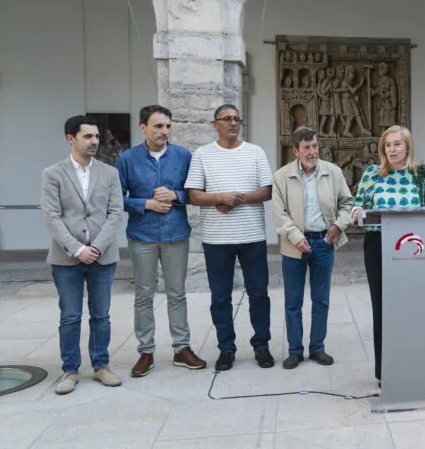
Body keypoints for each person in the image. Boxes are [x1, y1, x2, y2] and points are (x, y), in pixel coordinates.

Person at [116, 105, 206, 377]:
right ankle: (146, 351)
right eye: (158, 126)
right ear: (143, 127)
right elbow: (116, 198)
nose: (164, 131)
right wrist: (147, 204)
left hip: (176, 234)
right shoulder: (127, 159)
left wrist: (176, 196)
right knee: (144, 294)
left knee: (177, 293)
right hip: (142, 236)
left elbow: (196, 193)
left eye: (167, 126)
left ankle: (182, 348)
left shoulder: (183, 156)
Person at [184, 104, 274, 371]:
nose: (233, 123)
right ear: (215, 125)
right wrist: (219, 198)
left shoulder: (255, 152)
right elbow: (194, 195)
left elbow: (267, 190)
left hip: (252, 235)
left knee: (258, 293)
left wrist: (236, 199)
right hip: (216, 239)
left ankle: (262, 345)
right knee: (220, 297)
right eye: (227, 119)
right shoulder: (202, 155)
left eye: (237, 119)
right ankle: (226, 348)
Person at [351, 125, 425, 383]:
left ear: (408, 147)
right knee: (383, 307)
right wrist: (357, 212)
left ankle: (412, 364)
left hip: (414, 248)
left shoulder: (420, 174)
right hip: (379, 245)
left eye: (397, 144)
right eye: (387, 145)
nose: (391, 149)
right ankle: (385, 371)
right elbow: (358, 206)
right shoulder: (373, 173)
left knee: (412, 306)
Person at [41, 115, 124, 395]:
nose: (94, 142)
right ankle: (70, 370)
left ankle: (101, 366)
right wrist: (77, 249)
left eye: (97, 136)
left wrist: (96, 247)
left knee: (101, 315)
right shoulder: (52, 173)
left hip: (102, 256)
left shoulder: (109, 173)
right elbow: (52, 217)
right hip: (67, 259)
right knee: (70, 316)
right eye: (88, 136)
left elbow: (115, 214)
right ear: (70, 139)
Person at [272, 126, 354, 370]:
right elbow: (280, 213)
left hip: (323, 243)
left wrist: (339, 225)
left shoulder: (333, 172)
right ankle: (295, 350)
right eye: (306, 147)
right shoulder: (281, 177)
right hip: (294, 244)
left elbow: (347, 203)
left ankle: (317, 347)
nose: (312, 151)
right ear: (296, 150)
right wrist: (296, 236)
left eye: (315, 146)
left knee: (321, 299)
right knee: (293, 301)